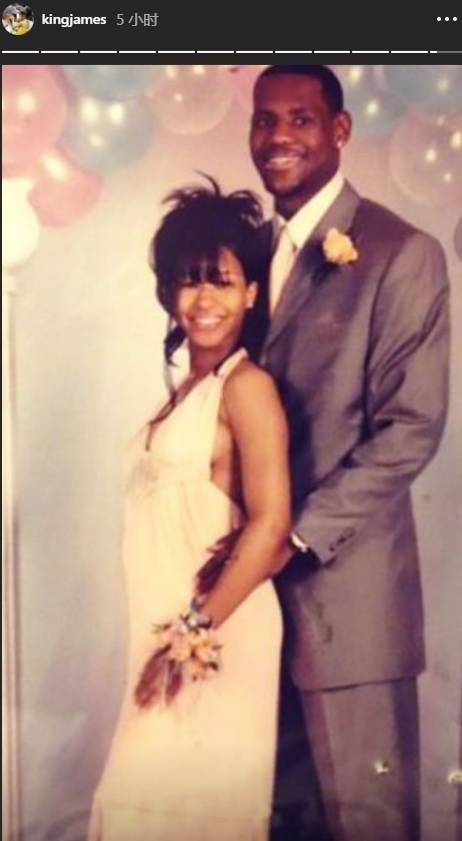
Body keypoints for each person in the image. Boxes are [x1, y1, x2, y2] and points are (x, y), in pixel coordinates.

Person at [248, 64, 450, 841]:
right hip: (252, 618)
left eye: (300, 119)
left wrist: (291, 536)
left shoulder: (402, 252)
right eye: (265, 120)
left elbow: (411, 428)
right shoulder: (250, 255)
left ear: (340, 130)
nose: (279, 137)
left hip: (351, 618)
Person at [87, 178, 292, 841]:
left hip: (212, 641)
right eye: (188, 281)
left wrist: (189, 636)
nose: (204, 300)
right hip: (161, 638)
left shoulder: (247, 388)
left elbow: (272, 527)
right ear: (168, 294)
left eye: (222, 281)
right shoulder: (182, 394)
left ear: (251, 291)